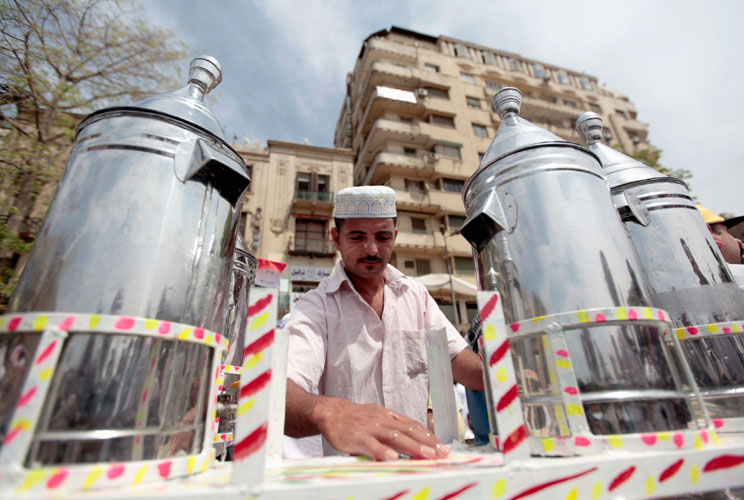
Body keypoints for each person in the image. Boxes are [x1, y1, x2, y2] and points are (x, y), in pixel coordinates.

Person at [284, 186, 484, 461]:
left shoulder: (416, 297)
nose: (371, 249)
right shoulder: (316, 308)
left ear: (395, 237)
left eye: (382, 237)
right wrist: (332, 413)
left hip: (421, 472)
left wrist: (518, 377)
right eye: (357, 237)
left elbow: (460, 363)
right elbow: (281, 393)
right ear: (336, 239)